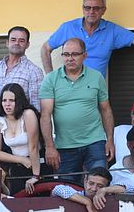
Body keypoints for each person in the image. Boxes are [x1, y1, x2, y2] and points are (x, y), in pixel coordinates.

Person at [40, 37, 114, 185]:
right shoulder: (51, 79)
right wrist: (49, 147)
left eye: (75, 54)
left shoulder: (96, 77)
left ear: (84, 55)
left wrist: (110, 140)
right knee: (66, 190)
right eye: (66, 54)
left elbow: (106, 110)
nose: (70, 58)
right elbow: (45, 115)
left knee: (99, 184)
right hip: (64, 146)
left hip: (95, 142)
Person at [0, 83, 48, 195]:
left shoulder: (28, 114)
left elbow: (33, 146)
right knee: (18, 202)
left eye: (11, 100)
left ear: (19, 101)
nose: (7, 104)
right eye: (4, 100)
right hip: (17, 167)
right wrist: (21, 160)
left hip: (38, 164)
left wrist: (36, 176)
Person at [0, 26, 45, 122]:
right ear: (7, 43)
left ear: (27, 45)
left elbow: (36, 107)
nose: (17, 43)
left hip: (21, 131)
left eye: (21, 41)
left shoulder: (34, 71)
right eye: (13, 40)